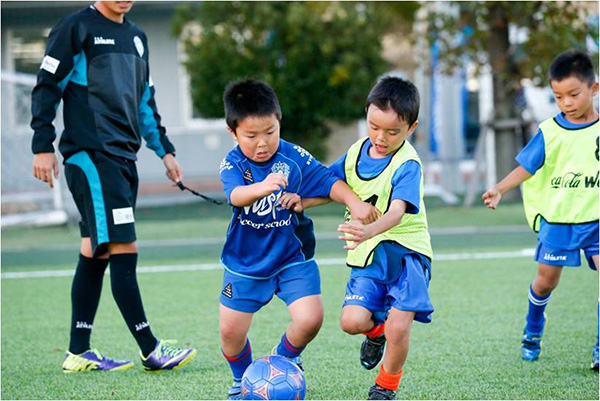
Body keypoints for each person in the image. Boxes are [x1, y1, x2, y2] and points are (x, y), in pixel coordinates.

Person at [31, 1, 196, 372]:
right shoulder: (76, 27)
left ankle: (78, 351)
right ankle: (150, 348)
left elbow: (144, 103)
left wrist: (164, 151)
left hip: (123, 158)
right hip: (91, 156)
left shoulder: (137, 38)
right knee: (124, 245)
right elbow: (46, 86)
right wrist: (42, 145)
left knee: (95, 249)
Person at [218, 79, 379, 399]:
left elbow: (329, 181)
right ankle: (242, 380)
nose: (262, 143)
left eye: (270, 132)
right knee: (230, 332)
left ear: (279, 123)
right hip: (245, 262)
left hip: (293, 257)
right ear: (233, 132)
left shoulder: (294, 157)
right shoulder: (233, 162)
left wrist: (355, 203)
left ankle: (284, 360)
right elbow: (236, 195)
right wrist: (263, 187)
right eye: (251, 135)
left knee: (310, 319)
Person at [482, 49, 599, 369]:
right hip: (560, 220)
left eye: (573, 95)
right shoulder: (550, 131)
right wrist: (500, 188)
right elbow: (527, 167)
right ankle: (533, 327)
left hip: (596, 221)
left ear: (594, 88)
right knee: (546, 281)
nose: (567, 103)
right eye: (559, 97)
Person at [324, 76, 434, 400]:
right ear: (367, 115)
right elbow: (328, 184)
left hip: (408, 254)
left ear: (411, 128)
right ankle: (376, 332)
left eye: (392, 131)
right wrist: (298, 200)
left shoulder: (408, 164)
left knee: (400, 326)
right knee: (351, 321)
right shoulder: (356, 152)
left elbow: (398, 212)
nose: (380, 137)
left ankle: (385, 387)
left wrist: (366, 229)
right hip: (371, 256)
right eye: (373, 126)